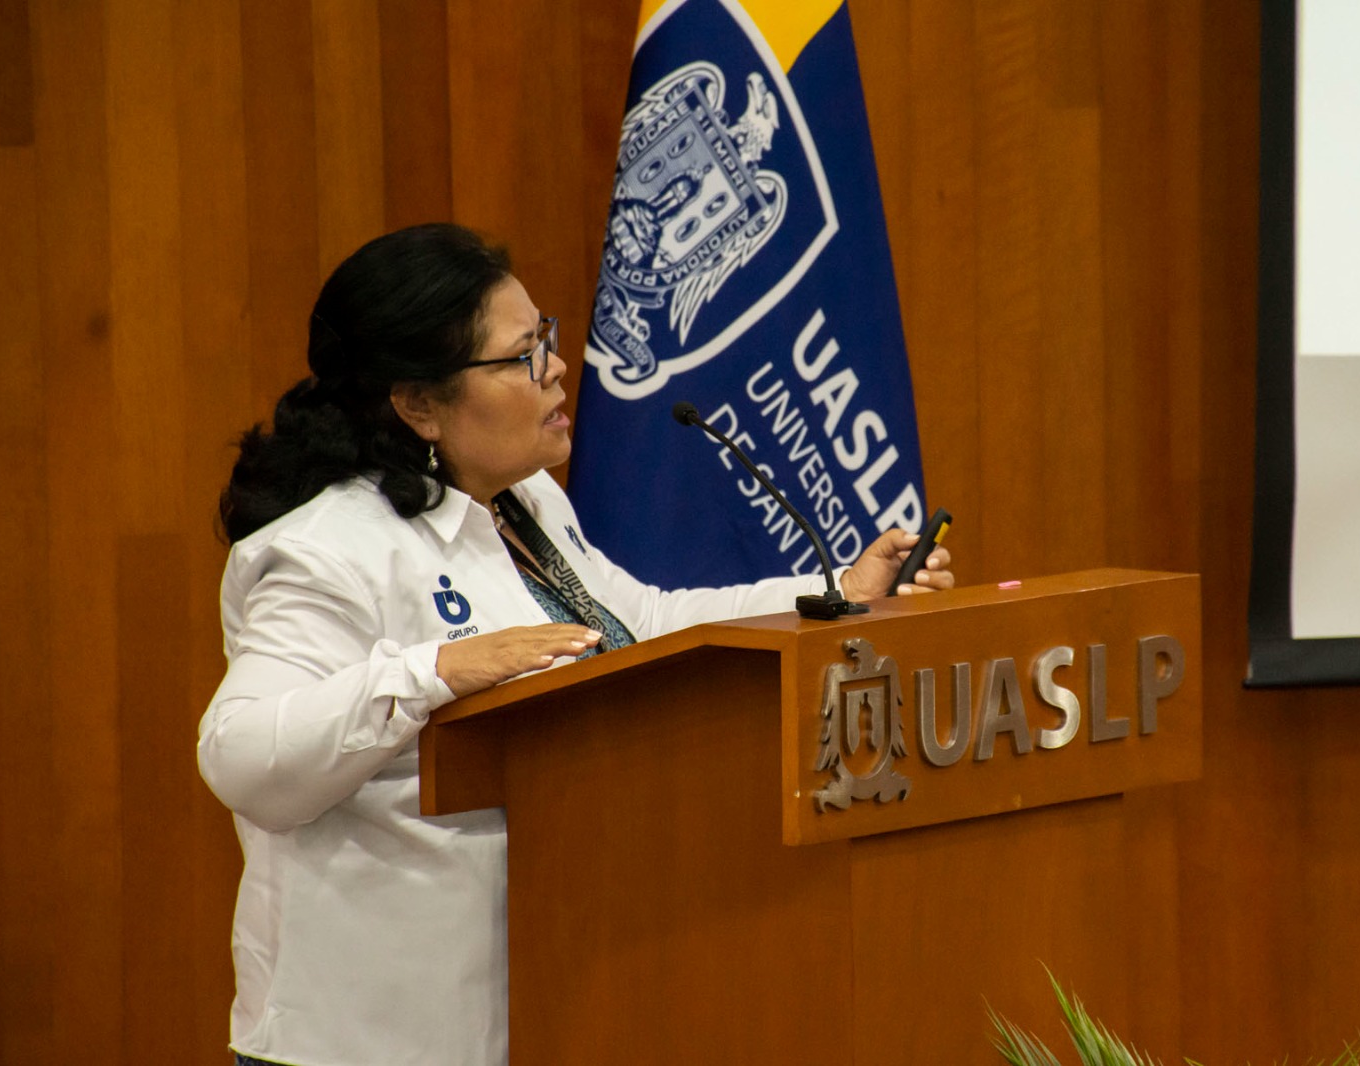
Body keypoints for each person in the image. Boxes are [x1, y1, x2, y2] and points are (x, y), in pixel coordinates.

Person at [199, 222, 953, 1066]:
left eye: (546, 338)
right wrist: (434, 670)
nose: (557, 368)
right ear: (417, 405)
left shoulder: (524, 501)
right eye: (522, 356)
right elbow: (240, 759)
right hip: (372, 1039)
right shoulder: (325, 553)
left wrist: (837, 593)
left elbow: (639, 626)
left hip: (547, 1002)